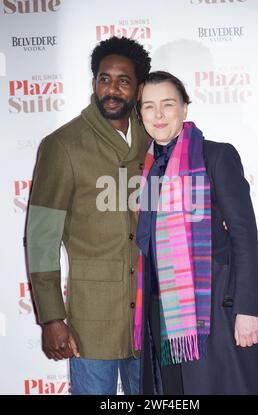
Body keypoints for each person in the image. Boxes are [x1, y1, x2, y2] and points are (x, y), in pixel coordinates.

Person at [133, 71, 258, 395]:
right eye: (149, 106)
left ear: (184, 108)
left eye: (168, 104)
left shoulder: (216, 156)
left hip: (214, 311)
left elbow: (244, 236)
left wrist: (248, 307)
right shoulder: (145, 171)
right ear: (140, 114)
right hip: (163, 315)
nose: (158, 115)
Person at [25, 36, 151, 395]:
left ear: (139, 88)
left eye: (123, 80)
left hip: (149, 320)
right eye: (104, 78)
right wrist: (52, 317)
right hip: (92, 324)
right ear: (94, 82)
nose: (111, 88)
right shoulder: (63, 145)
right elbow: (41, 239)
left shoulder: (154, 139)